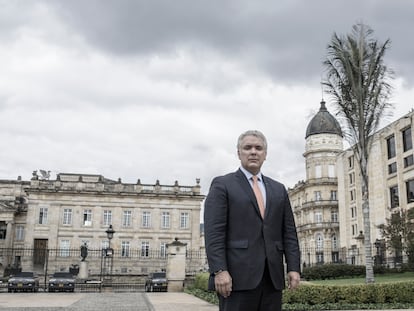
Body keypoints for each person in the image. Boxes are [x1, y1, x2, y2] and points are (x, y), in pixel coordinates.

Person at [204, 130, 301, 311]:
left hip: (272, 279)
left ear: (265, 154)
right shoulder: (222, 185)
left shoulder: (278, 189)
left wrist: (294, 268)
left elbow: (289, 233)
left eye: (258, 148)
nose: (253, 152)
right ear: (239, 152)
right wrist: (219, 270)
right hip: (236, 279)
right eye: (247, 147)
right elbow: (214, 233)